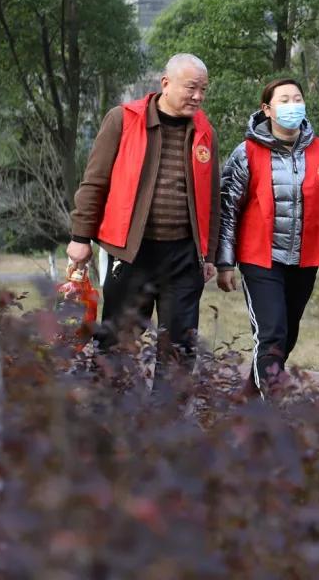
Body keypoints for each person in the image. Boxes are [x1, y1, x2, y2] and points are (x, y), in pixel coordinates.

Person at [67, 53, 220, 380]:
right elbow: (95, 181)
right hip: (130, 252)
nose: (198, 96)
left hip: (183, 256)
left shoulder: (205, 131)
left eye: (203, 89)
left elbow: (212, 200)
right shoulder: (123, 119)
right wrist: (80, 238)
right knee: (118, 343)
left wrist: (211, 255)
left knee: (180, 347)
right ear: (166, 84)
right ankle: (108, 418)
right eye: (191, 87)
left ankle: (165, 422)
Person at [215, 78, 319, 395]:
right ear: (267, 109)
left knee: (286, 335)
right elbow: (228, 209)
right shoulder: (246, 152)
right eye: (284, 99)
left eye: (298, 98)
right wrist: (224, 263)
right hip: (259, 258)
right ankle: (273, 409)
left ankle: (250, 397)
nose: (293, 105)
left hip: (304, 259)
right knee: (272, 331)